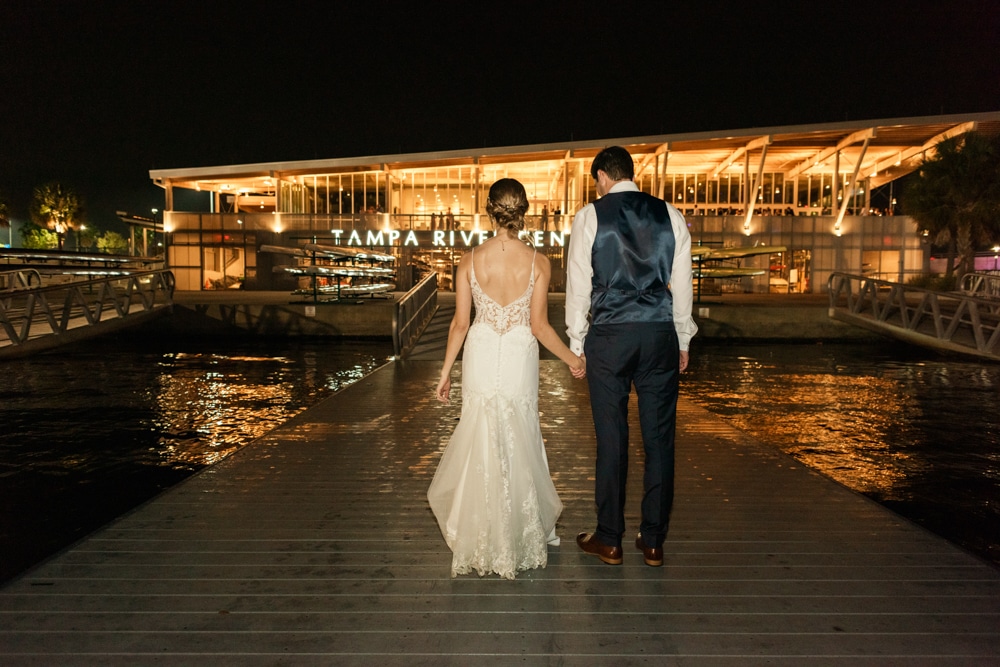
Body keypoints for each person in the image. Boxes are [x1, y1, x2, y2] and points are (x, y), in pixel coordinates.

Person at [428, 178, 586, 580]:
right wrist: (573, 359)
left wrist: (445, 372)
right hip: (518, 353)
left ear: (490, 210)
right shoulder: (539, 262)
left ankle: (481, 529)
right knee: (520, 431)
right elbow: (538, 326)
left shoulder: (468, 260)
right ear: (524, 211)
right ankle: (526, 527)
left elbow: (460, 324)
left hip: (482, 351)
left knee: (482, 431)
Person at [565, 146, 697, 568]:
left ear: (602, 175)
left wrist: (575, 343)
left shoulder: (590, 216)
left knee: (612, 439)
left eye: (596, 180)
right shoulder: (671, 215)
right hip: (658, 334)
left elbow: (578, 287)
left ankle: (610, 539)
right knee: (659, 440)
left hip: (609, 336)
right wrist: (682, 340)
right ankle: (654, 540)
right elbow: (682, 286)